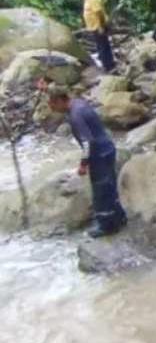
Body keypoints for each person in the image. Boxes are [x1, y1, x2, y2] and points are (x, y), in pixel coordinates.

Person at [46, 83, 127, 237]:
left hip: (99, 155)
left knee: (101, 191)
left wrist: (83, 164)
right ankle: (120, 217)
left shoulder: (75, 115)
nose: (52, 109)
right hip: (107, 148)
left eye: (52, 105)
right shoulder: (79, 103)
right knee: (110, 186)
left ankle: (106, 225)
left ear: (59, 100)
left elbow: (87, 142)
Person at [78, 0, 116, 73]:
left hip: (99, 26)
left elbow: (99, 13)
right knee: (101, 45)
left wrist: (101, 26)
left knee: (103, 46)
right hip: (94, 27)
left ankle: (108, 66)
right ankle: (108, 64)